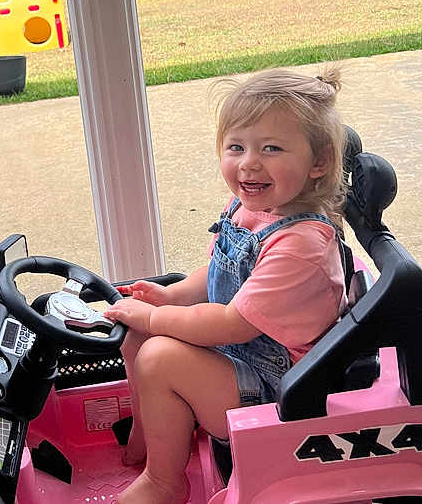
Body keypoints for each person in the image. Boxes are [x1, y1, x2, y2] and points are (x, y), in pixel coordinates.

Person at [103, 66, 349, 504]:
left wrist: (158, 317)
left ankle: (164, 482)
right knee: (137, 335)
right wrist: (170, 297)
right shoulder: (250, 204)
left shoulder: (301, 243)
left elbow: (232, 322)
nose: (249, 162)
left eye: (271, 148)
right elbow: (216, 270)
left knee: (159, 355)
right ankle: (149, 436)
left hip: (280, 389)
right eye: (236, 147)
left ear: (319, 161)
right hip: (239, 359)